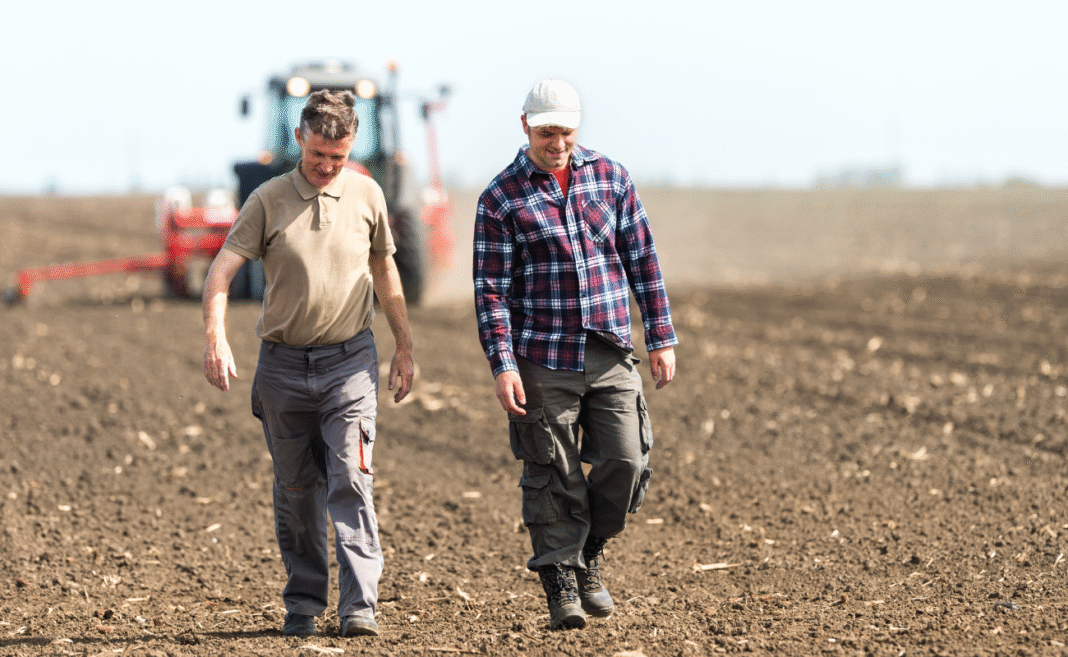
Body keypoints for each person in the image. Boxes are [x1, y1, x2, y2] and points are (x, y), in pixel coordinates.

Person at [202, 89, 414, 639]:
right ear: (300, 138)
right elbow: (222, 272)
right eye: (318, 155)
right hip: (282, 368)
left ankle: (358, 607)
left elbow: (386, 275)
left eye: (337, 159)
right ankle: (302, 603)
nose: (326, 168)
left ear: (351, 149)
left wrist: (405, 348)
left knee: (352, 479)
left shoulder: (368, 195)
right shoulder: (268, 199)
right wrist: (216, 339)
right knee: (297, 492)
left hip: (350, 364)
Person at [473, 79, 678, 630]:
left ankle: (589, 551)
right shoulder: (500, 198)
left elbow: (643, 259)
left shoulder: (611, 178)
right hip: (542, 354)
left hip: (610, 349)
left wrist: (660, 336)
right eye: (546, 132)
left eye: (565, 130)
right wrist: (504, 364)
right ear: (525, 127)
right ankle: (562, 579)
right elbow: (491, 292)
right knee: (553, 470)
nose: (557, 141)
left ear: (576, 127)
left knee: (626, 461)